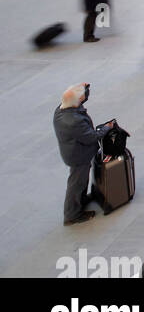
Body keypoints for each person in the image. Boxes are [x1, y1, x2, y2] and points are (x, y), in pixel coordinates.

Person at [53, 84, 105, 225]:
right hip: (78, 156)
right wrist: (106, 129)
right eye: (81, 95)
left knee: (80, 181)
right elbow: (91, 137)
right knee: (76, 184)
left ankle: (81, 201)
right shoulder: (73, 121)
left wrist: (83, 88)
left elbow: (76, 98)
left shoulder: (61, 110)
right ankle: (72, 215)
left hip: (75, 153)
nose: (83, 97)